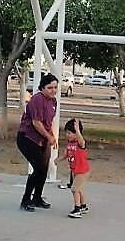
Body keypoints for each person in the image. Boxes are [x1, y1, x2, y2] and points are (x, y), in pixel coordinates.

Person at [17, 73, 58, 212]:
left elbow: (48, 123)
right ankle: (26, 199)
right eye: (50, 87)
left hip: (43, 139)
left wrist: (52, 137)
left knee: (44, 169)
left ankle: (37, 198)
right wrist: (48, 136)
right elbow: (36, 123)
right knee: (38, 168)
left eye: (55, 87)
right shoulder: (37, 100)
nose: (53, 90)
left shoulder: (53, 102)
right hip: (28, 138)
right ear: (42, 87)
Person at [61, 118, 91, 218]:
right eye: (66, 133)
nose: (67, 135)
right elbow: (65, 155)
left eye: (70, 133)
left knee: (74, 189)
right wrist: (57, 160)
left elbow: (81, 139)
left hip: (82, 171)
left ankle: (77, 209)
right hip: (75, 171)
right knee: (79, 189)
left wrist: (77, 130)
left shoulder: (80, 143)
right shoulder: (69, 144)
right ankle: (83, 206)